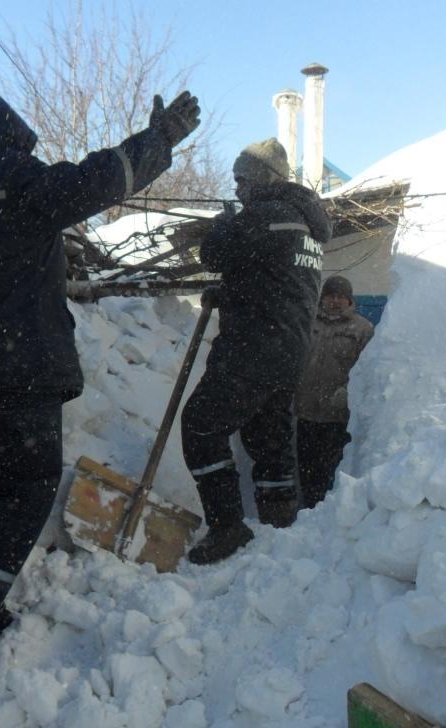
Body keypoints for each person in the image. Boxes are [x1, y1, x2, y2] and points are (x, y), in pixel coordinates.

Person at [0, 88, 200, 675]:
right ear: (6, 132)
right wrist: (158, 141)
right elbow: (96, 181)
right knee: (24, 492)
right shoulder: (11, 177)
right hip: (15, 369)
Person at [181, 138, 331, 565]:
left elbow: (212, 254)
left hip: (253, 347)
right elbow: (273, 280)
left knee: (201, 426)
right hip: (291, 349)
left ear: (261, 180)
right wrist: (229, 294)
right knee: (269, 440)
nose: (237, 189)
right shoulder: (306, 225)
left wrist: (225, 224)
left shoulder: (263, 215)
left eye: (241, 179)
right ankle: (279, 526)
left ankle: (227, 525)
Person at [295, 276, 374, 509]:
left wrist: (347, 392)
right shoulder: (308, 323)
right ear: (322, 298)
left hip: (337, 418)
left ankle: (330, 516)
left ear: (350, 301)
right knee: (306, 471)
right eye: (331, 295)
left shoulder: (362, 329)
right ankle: (308, 513)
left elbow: (368, 370)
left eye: (341, 297)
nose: (335, 301)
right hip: (306, 413)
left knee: (333, 472)